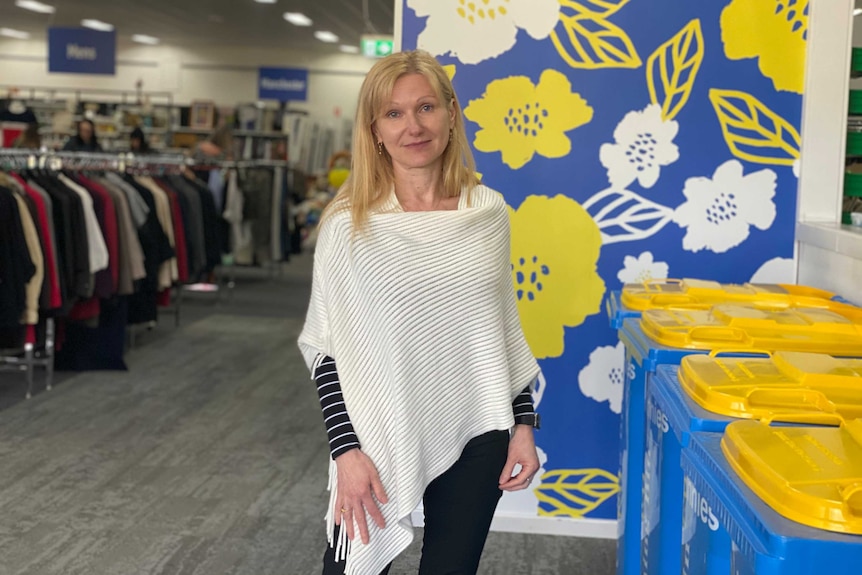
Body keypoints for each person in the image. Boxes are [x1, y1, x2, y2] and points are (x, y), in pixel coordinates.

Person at [298, 50, 541, 575]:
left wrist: (523, 426)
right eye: (394, 113)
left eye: (426, 107)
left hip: (477, 431)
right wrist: (346, 453)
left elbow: (498, 331)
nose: (414, 126)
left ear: (452, 114)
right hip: (375, 434)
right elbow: (324, 350)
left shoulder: (487, 212)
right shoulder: (348, 226)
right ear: (375, 130)